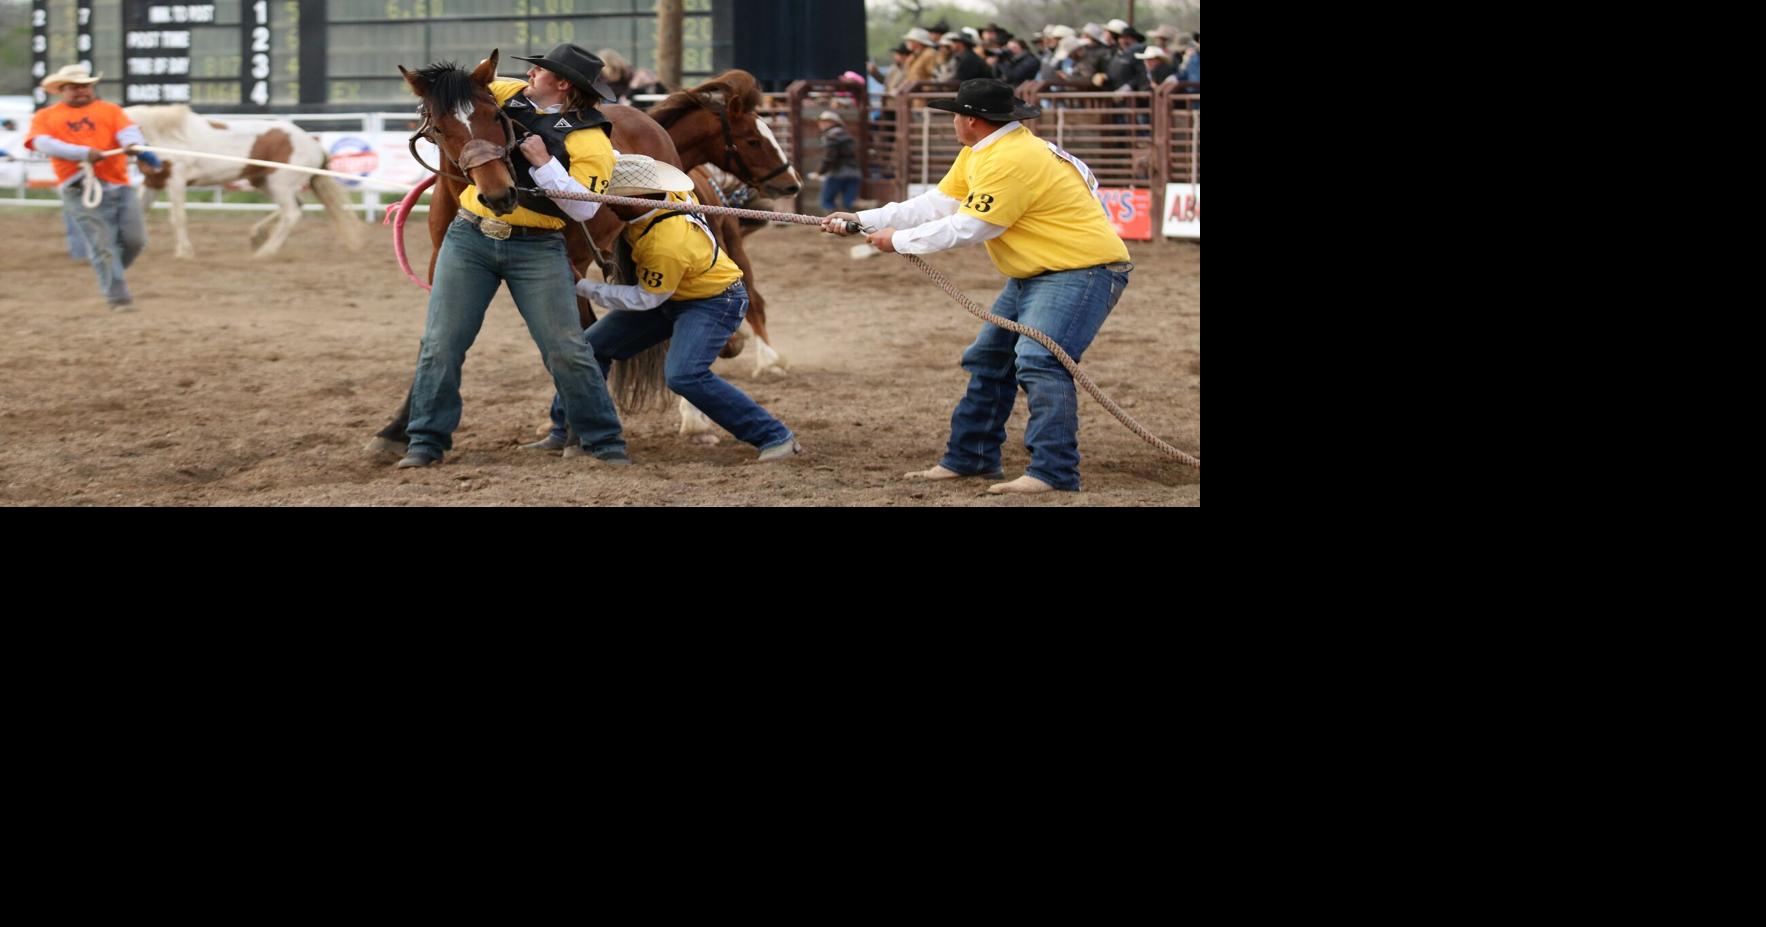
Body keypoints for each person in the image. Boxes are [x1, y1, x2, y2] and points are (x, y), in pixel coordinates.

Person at [820, 79, 1132, 495]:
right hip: (1047, 270)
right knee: (991, 359)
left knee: (1039, 360)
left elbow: (972, 226)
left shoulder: (1011, 159)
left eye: (954, 114)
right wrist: (867, 219)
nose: (952, 121)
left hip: (1079, 270)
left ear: (970, 119)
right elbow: (940, 203)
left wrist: (895, 241)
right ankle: (972, 458)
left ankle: (1053, 471)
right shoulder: (987, 151)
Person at [398, 43, 629, 469]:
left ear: (561, 84)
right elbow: (460, 96)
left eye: (539, 72)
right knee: (440, 344)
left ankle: (603, 440)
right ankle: (424, 441)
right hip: (470, 237)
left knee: (566, 348)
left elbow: (584, 208)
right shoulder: (503, 95)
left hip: (537, 247)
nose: (529, 76)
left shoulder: (591, 138)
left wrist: (543, 163)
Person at [559, 154, 801, 463]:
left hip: (713, 302)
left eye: (613, 198)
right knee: (590, 348)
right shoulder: (666, 199)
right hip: (677, 294)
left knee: (685, 375)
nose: (607, 204)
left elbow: (645, 299)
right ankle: (573, 431)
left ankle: (774, 436)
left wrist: (583, 286)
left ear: (637, 199)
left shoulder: (666, 242)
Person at [25, 64, 162, 312]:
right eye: (74, 88)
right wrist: (83, 153)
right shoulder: (46, 116)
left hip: (119, 184)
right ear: (61, 90)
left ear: (92, 87)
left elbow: (129, 132)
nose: (80, 91)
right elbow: (43, 143)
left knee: (135, 240)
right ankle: (118, 298)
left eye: (85, 86)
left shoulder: (111, 111)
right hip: (79, 187)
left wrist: (132, 145)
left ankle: (109, 272)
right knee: (103, 244)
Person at [811, 110, 860, 214]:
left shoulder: (830, 137)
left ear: (833, 123)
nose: (821, 124)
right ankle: (853, 224)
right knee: (849, 203)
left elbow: (829, 158)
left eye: (825, 122)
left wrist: (819, 172)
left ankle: (832, 225)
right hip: (854, 173)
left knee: (826, 201)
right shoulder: (847, 136)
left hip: (836, 173)